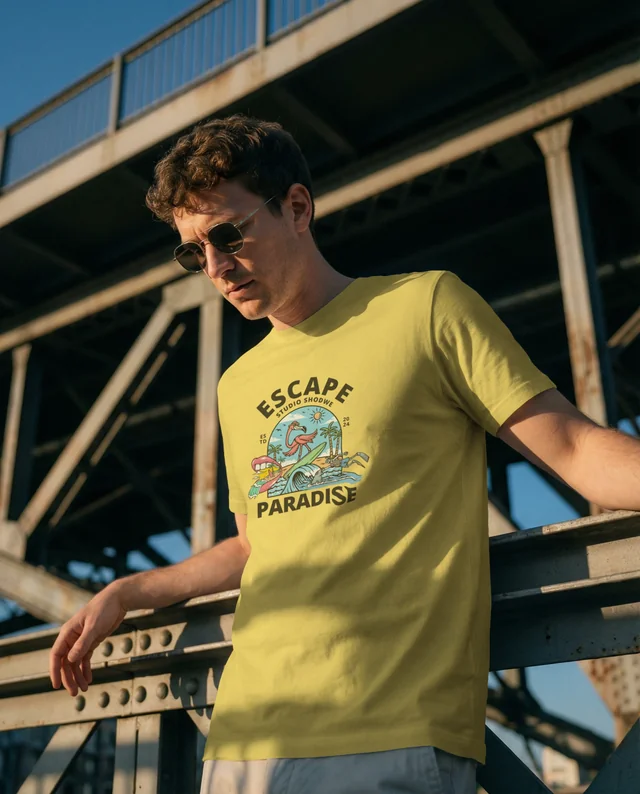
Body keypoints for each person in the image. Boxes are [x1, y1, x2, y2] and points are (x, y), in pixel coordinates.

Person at [49, 115, 640, 794]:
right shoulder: (237, 384)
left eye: (227, 234)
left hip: (387, 730)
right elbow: (253, 546)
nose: (214, 266)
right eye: (192, 252)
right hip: (243, 738)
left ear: (297, 207)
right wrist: (128, 591)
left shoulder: (426, 307)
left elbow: (573, 448)